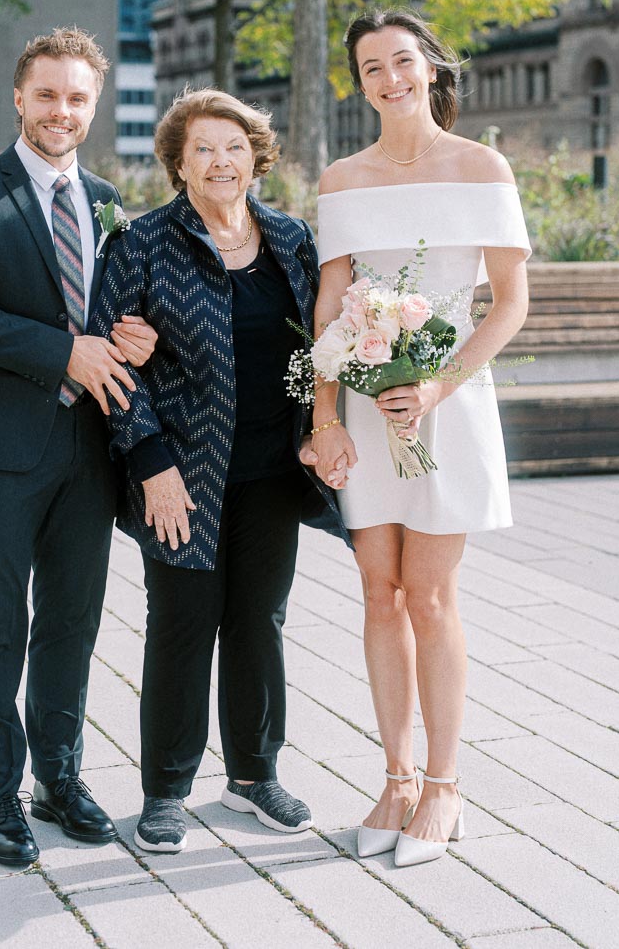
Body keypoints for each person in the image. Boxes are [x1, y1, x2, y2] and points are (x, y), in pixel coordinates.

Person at [90, 88, 351, 854]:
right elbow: (111, 365)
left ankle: (253, 776)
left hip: (275, 471)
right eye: (202, 148)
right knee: (180, 625)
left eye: (233, 146)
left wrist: (322, 427)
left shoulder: (291, 240)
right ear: (177, 163)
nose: (221, 160)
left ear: (256, 156)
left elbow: (320, 343)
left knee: (258, 622)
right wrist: (150, 462)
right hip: (183, 476)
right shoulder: (140, 244)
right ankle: (166, 791)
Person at [303, 7, 530, 868]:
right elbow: (330, 305)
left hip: (449, 401)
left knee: (429, 596)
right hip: (362, 402)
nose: (390, 79)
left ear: (432, 69)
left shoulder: (483, 167)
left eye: (403, 62)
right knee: (376, 591)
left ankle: (444, 788)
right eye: (371, 68)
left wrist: (439, 383)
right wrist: (324, 419)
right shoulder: (342, 178)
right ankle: (394, 781)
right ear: (359, 84)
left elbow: (508, 302)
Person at [0, 27, 157, 867]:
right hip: (4, 449)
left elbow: (114, 314)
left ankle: (60, 778)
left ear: (93, 108)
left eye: (78, 98)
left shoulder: (108, 200)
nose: (63, 111)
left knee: (71, 622)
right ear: (21, 97)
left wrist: (133, 337)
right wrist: (66, 351)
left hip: (90, 449)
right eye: (49, 95)